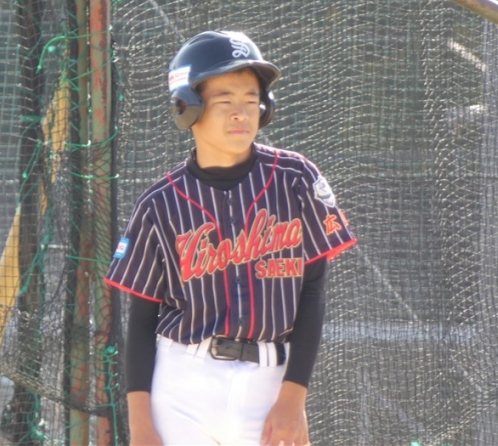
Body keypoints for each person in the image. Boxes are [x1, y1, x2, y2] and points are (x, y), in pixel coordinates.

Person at [104, 30, 357, 446]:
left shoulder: (296, 179)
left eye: (251, 99)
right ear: (187, 106)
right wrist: (141, 426)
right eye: (224, 100)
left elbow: (312, 292)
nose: (241, 113)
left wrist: (293, 399)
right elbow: (142, 319)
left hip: (271, 382)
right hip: (183, 380)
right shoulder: (159, 204)